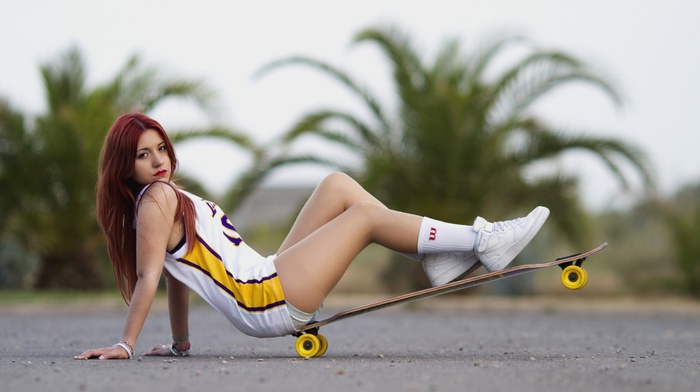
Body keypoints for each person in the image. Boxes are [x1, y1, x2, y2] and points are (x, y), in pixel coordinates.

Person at [74, 113, 549, 360]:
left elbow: (181, 273)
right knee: (362, 215)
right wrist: (126, 344)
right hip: (265, 298)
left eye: (161, 148)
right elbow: (150, 275)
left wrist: (181, 343)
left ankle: (442, 255)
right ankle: (479, 241)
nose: (158, 160)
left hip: (267, 277)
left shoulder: (167, 195)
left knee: (337, 185)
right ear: (124, 166)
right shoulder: (156, 201)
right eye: (143, 155)